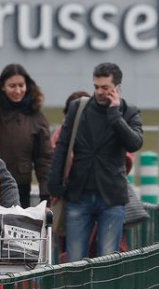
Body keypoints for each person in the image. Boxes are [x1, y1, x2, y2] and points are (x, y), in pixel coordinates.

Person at [49, 62, 143, 262]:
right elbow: (63, 146)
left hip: (111, 197)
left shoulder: (128, 111)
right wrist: (55, 185)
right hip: (79, 194)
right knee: (75, 259)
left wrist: (115, 115)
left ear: (117, 87)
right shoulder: (79, 108)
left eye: (105, 88)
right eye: (96, 87)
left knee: (107, 258)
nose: (100, 92)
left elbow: (134, 143)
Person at [0, 63, 53, 208]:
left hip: (20, 186)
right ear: (2, 86)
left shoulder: (36, 116)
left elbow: (44, 159)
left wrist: (45, 194)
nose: (18, 90)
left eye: (21, 85)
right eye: (12, 86)